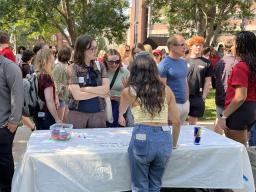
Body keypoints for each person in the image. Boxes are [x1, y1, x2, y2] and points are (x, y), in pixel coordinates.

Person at [119, 52, 181, 192]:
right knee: (155, 185)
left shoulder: (129, 91)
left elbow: (122, 111)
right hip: (164, 137)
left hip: (142, 136)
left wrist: (126, 88)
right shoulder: (167, 90)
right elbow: (176, 121)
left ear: (133, 70)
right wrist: (174, 144)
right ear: (154, 69)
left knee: (140, 186)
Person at [215, 31, 256, 146]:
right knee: (242, 149)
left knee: (237, 151)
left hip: (239, 111)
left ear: (238, 46)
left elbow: (240, 97)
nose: (231, 48)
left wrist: (224, 116)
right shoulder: (251, 65)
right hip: (251, 110)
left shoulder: (241, 66)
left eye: (233, 44)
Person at [67, 35, 109, 128]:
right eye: (92, 48)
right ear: (82, 50)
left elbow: (106, 89)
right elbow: (77, 96)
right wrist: (99, 93)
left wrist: (85, 89)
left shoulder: (100, 66)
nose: (95, 51)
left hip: (98, 113)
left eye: (95, 48)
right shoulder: (72, 68)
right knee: (77, 142)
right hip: (77, 114)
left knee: (98, 142)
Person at [0, 55, 23, 192]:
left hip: (3, 126)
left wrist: (14, 121)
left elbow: (18, 95)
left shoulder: (9, 67)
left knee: (4, 164)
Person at [158, 35, 189, 125]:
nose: (185, 47)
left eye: (185, 44)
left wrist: (187, 101)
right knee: (171, 136)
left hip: (185, 105)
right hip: (172, 105)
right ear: (172, 47)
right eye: (182, 45)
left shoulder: (183, 62)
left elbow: (185, 82)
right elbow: (162, 89)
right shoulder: (164, 65)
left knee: (180, 134)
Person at [33, 49, 61, 130]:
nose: (54, 57)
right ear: (48, 59)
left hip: (38, 114)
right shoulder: (46, 77)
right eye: (52, 55)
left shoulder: (37, 74)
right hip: (47, 116)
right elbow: (49, 100)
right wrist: (57, 119)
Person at [187, 36, 212, 125]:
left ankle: (193, 139)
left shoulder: (206, 62)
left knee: (193, 125)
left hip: (197, 97)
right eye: (196, 45)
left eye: (201, 45)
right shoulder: (184, 61)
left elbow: (207, 81)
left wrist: (204, 97)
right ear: (191, 46)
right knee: (179, 123)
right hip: (183, 96)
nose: (198, 47)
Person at [214, 43, 238, 134]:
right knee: (230, 126)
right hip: (231, 98)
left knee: (219, 120)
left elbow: (214, 81)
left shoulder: (220, 62)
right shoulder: (237, 62)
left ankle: (216, 142)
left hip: (220, 96)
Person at [103, 49, 130, 127]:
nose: (114, 64)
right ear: (105, 61)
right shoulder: (101, 72)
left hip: (119, 106)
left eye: (117, 62)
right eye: (111, 62)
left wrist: (122, 95)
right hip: (104, 105)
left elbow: (132, 94)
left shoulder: (125, 72)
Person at [52, 46, 72, 122]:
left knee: (65, 122)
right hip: (60, 98)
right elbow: (55, 83)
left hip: (66, 97)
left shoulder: (67, 65)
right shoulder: (58, 67)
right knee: (60, 122)